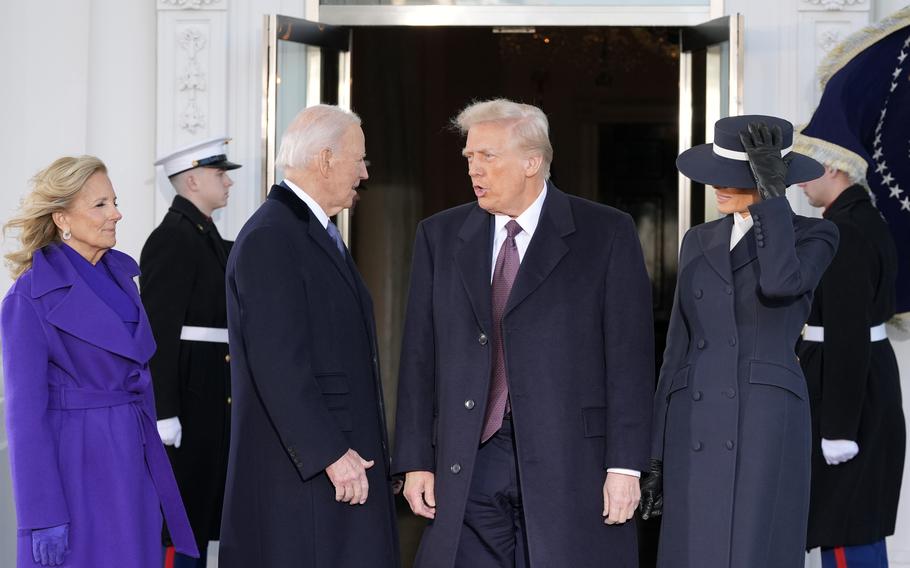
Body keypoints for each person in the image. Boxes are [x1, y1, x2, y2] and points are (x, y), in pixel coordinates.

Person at [393, 98, 655, 567]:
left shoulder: (606, 233)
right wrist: (415, 460)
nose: (474, 168)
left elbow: (629, 358)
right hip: (470, 458)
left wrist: (625, 466)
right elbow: (419, 356)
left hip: (572, 459)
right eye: (470, 157)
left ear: (532, 161)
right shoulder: (440, 234)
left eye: (487, 157)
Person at [640, 116, 838, 567]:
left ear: (770, 180)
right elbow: (676, 349)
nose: (717, 186)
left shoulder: (817, 234)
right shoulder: (698, 239)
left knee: (754, 551)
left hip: (763, 419)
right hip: (692, 418)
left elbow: (781, 283)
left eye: (733, 178)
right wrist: (654, 452)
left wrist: (772, 200)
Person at [219, 105, 399, 567]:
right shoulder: (271, 237)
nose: (363, 172)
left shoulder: (309, 231)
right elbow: (278, 366)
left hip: (332, 476)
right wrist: (331, 454)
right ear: (324, 159)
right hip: (307, 482)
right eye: (359, 159)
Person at [1, 156, 197, 567]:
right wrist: (42, 514)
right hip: (74, 467)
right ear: (62, 218)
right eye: (101, 205)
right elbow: (25, 418)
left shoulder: (122, 281)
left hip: (130, 460)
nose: (117, 214)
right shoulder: (29, 297)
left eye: (115, 202)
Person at [792, 12, 909, 561]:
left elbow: (844, 336)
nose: (799, 179)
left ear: (834, 167)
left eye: (805, 166)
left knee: (847, 537)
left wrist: (837, 427)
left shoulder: (844, 234)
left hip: (849, 401)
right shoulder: (862, 222)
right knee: (853, 530)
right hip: (863, 392)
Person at [141, 137, 242, 567]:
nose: (228, 183)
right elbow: (158, 332)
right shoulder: (172, 238)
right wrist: (164, 411)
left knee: (203, 513)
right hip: (188, 394)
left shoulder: (207, 237)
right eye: (220, 175)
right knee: (183, 519)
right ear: (193, 180)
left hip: (209, 394)